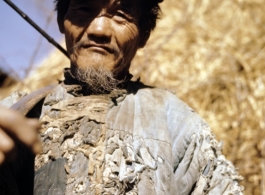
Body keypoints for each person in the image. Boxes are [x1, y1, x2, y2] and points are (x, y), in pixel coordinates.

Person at [0, 0, 244, 194]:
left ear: (144, 34)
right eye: (84, 8)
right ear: (63, 21)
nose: (98, 30)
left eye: (121, 15)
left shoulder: (177, 122)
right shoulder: (17, 112)